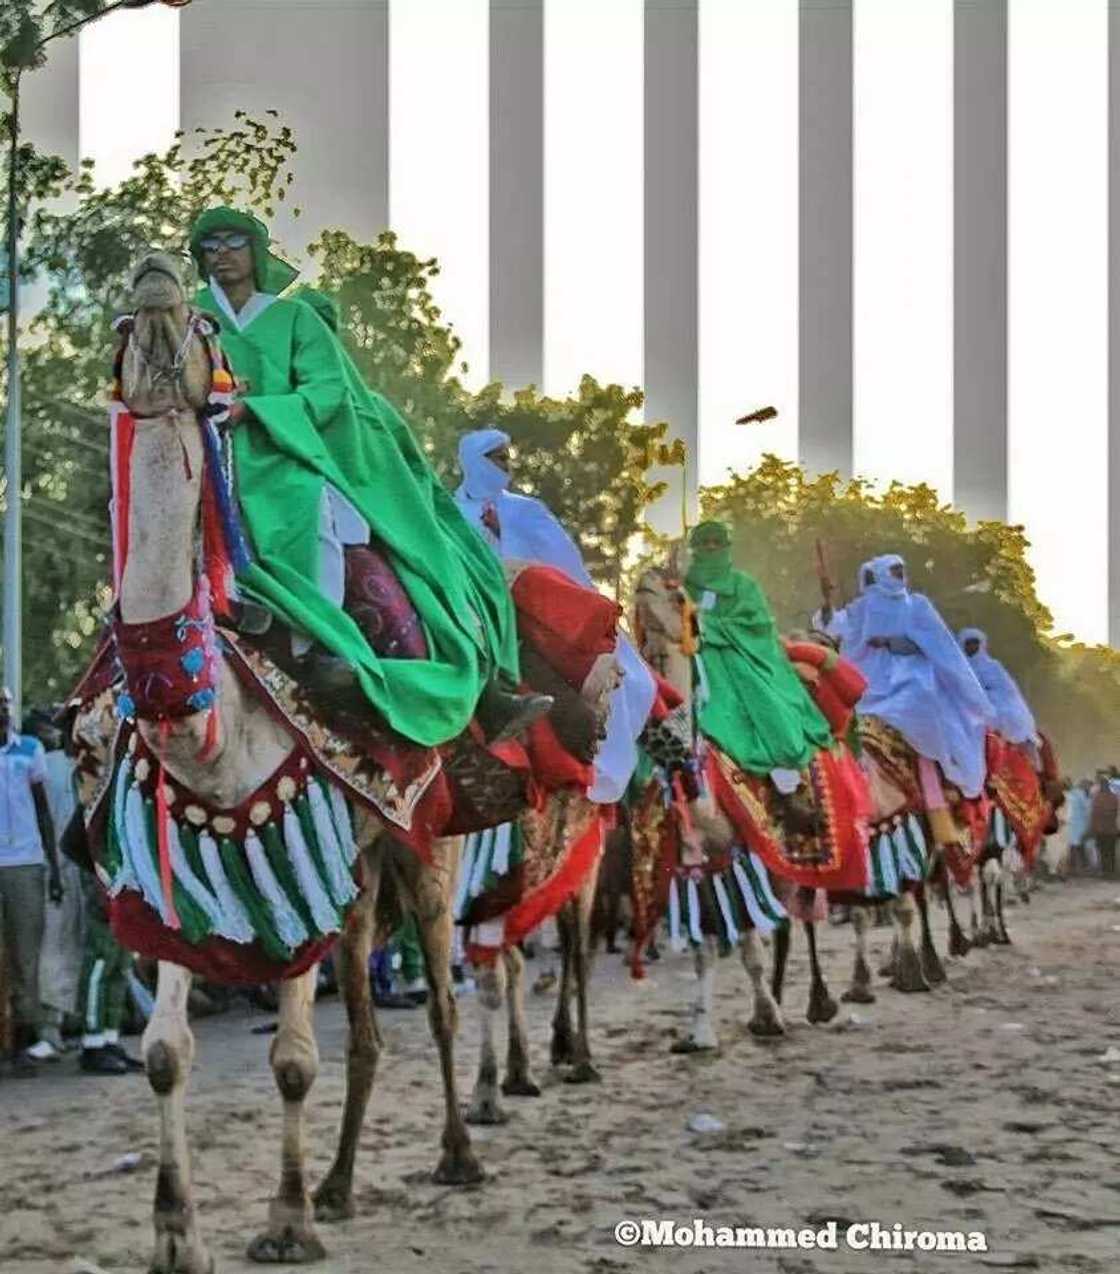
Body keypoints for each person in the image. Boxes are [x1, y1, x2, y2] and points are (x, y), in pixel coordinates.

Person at [186, 208, 548, 747]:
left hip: (286, 452)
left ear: (256, 251)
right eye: (209, 243)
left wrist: (255, 411)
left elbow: (326, 392)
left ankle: (323, 639)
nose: (221, 251)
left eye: (233, 240)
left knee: (324, 514)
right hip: (203, 453)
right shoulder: (191, 321)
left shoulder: (296, 322)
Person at [455, 428, 657, 803]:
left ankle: (678, 778)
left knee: (630, 685)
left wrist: (506, 540)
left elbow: (562, 565)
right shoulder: (449, 511)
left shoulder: (525, 511)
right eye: (495, 458)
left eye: (506, 457)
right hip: (469, 600)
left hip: (526, 605)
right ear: (471, 462)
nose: (505, 465)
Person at [817, 555, 994, 798]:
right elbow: (834, 625)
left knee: (921, 701)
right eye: (895, 571)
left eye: (901, 571)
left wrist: (891, 642)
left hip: (911, 673)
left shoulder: (917, 605)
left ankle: (942, 777)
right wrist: (827, 607)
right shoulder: (862, 606)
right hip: (868, 674)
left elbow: (935, 643)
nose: (900, 576)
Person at [685, 521, 833, 782]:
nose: (710, 548)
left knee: (764, 700)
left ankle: (785, 773)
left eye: (716, 543)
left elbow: (757, 625)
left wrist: (711, 627)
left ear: (726, 547)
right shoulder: (684, 586)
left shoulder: (745, 585)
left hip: (743, 654)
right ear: (694, 549)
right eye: (704, 543)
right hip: (694, 652)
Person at [0, 687, 63, 1072]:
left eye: (5, 706)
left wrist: (54, 870)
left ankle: (28, 1037)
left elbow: (44, 815)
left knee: (26, 955)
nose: (4, 712)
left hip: (25, 864)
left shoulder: (29, 750)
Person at [957, 628, 1039, 761]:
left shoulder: (993, 666)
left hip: (997, 702)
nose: (972, 647)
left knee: (1013, 719)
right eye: (969, 643)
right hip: (970, 703)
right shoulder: (958, 667)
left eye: (975, 643)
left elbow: (1007, 689)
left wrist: (987, 693)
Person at [1089, 772, 1119, 877]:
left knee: (1103, 851)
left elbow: (1093, 814)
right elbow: (1116, 812)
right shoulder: (1114, 797)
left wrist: (1092, 828)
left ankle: (1106, 871)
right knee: (1110, 851)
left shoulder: (1096, 798)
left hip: (1101, 830)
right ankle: (1111, 871)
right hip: (1111, 829)